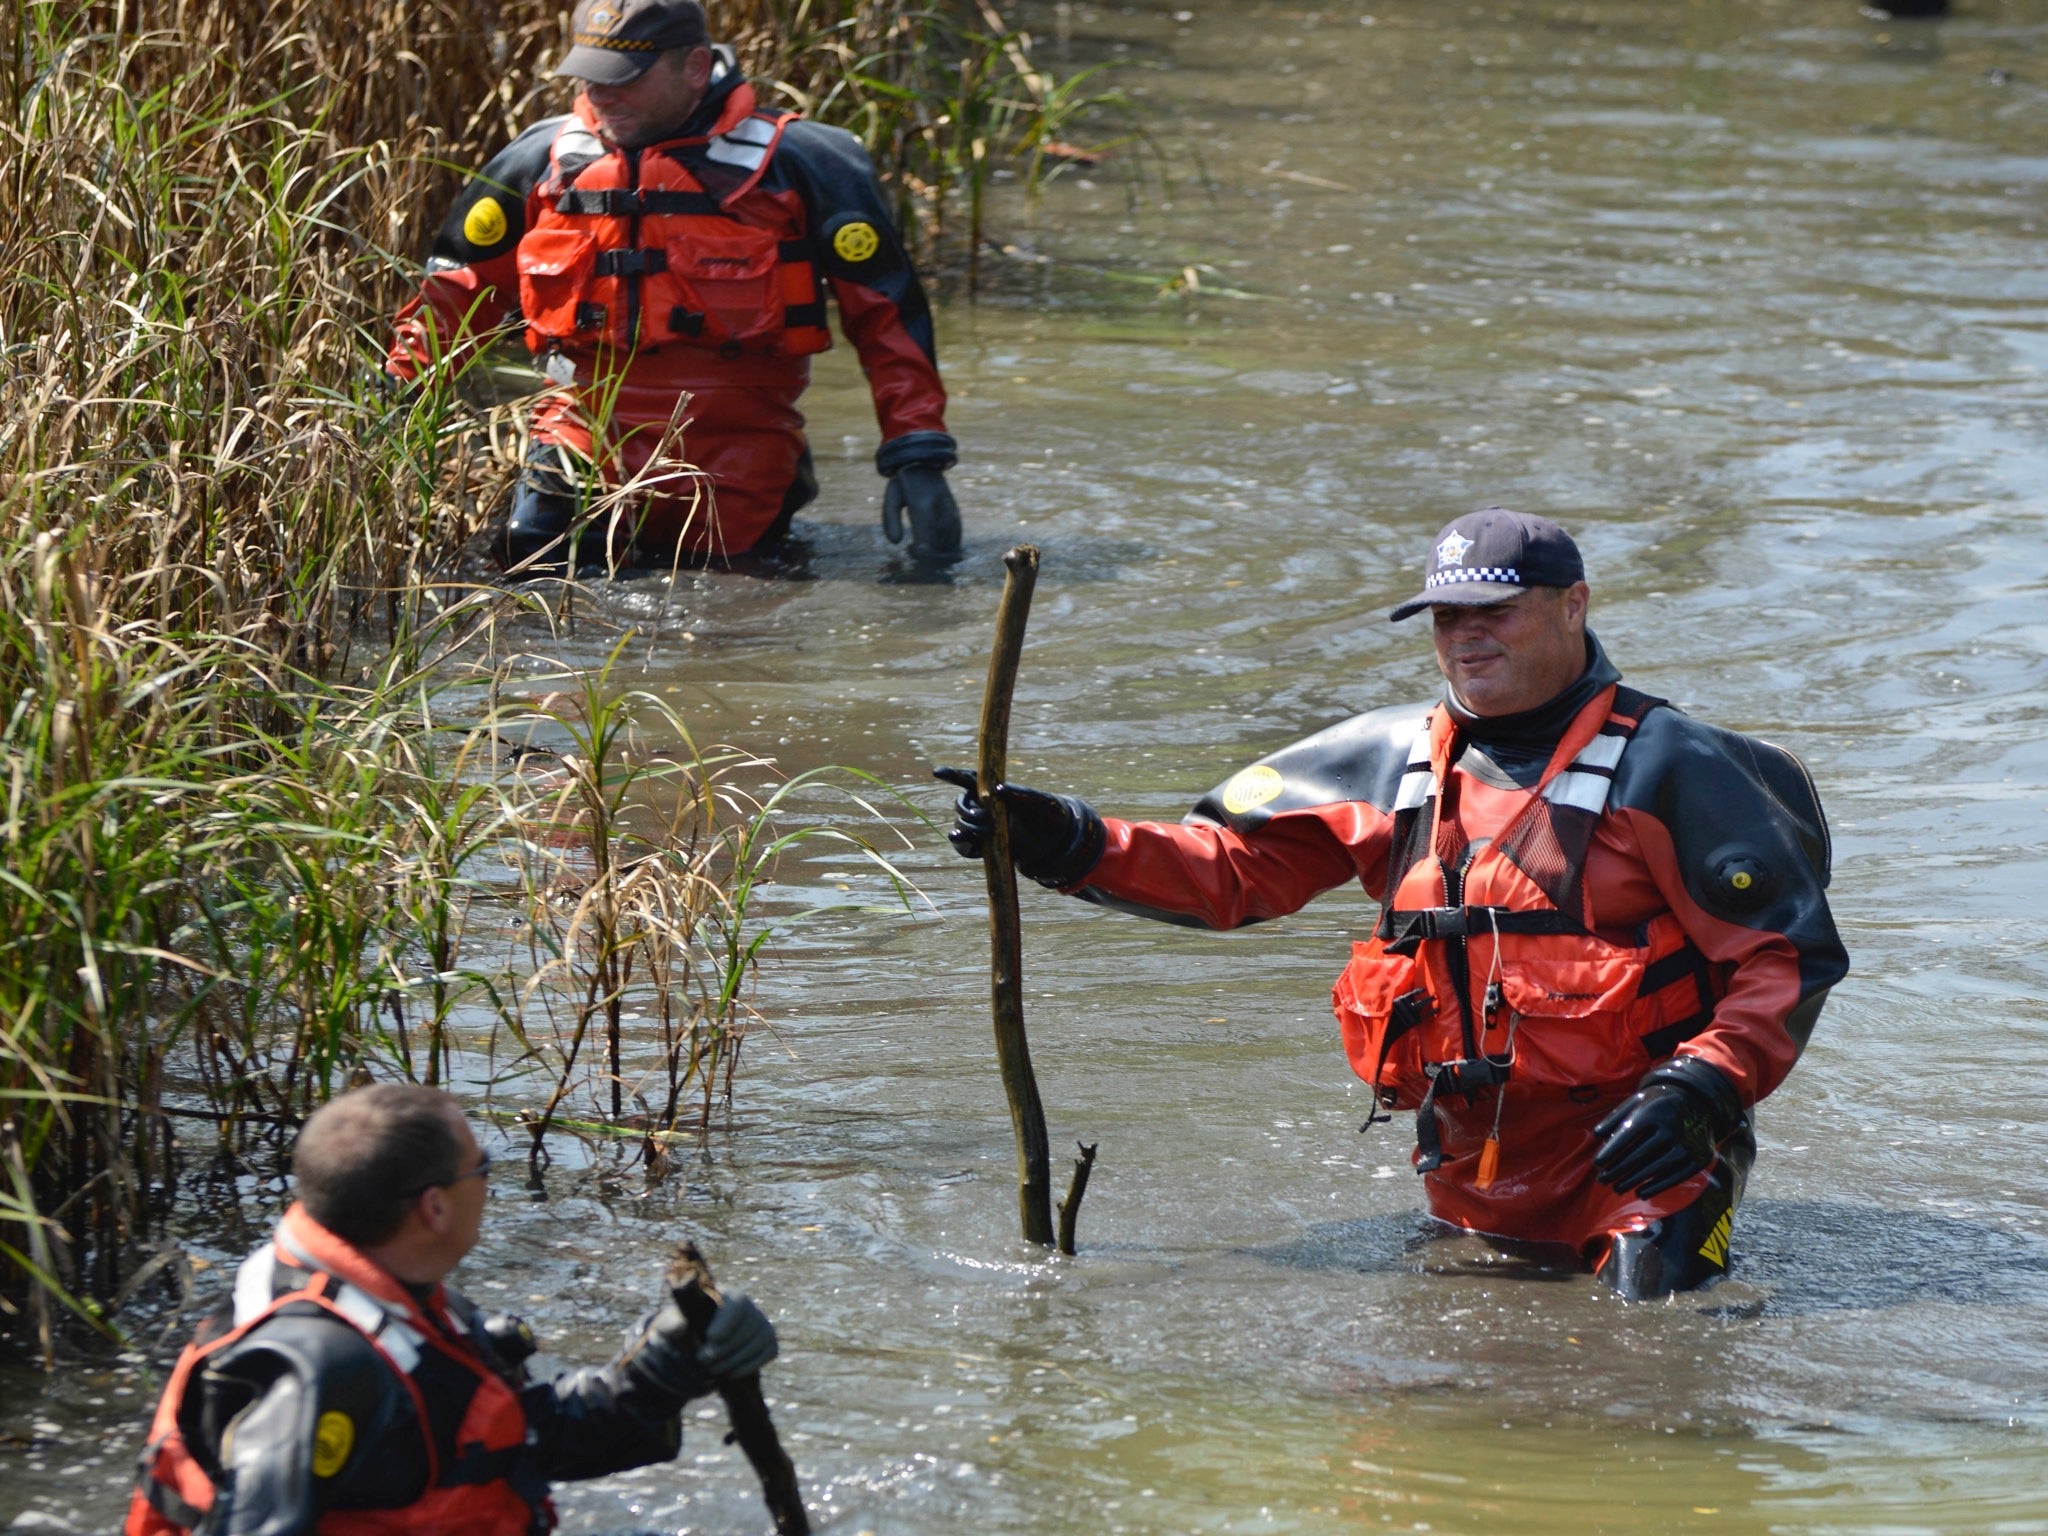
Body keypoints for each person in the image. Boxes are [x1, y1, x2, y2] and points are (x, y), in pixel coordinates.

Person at [939, 509, 1848, 1298]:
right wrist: (1065, 837)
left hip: (1650, 1153)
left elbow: (1784, 960)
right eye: (1447, 616)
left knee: (1651, 1350)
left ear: (1575, 605)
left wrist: (1703, 1087)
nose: (1466, 636)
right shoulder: (1385, 759)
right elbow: (1222, 870)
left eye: (1495, 610)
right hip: (1470, 1164)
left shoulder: (1675, 766)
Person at [386, 0, 961, 571]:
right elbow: (457, 295)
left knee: (732, 619)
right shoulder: (542, 160)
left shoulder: (804, 163)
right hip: (582, 433)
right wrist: (394, 405)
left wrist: (917, 456)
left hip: (740, 450)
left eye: (623, 79)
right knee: (530, 572)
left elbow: (886, 316)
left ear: (693, 68)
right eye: (589, 76)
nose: (601, 94)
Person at [127, 1083, 780, 1533]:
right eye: (483, 1167)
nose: (490, 1183)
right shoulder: (316, 1364)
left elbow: (504, 1443)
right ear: (433, 1208)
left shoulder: (389, 1296)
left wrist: (666, 1362)